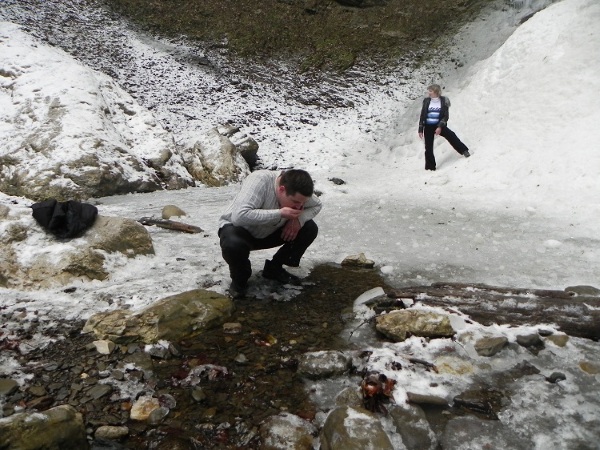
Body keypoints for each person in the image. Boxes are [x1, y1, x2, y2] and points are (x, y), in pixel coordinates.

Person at [218, 169, 322, 298]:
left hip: (271, 231)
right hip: (240, 231)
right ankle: (240, 281)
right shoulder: (259, 180)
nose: (299, 207)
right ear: (281, 189)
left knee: (309, 228)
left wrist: (298, 220)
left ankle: (274, 269)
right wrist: (280, 213)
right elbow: (239, 216)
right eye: (295, 202)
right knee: (232, 245)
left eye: (303, 203)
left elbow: (317, 205)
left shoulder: (297, 189)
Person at [418, 84, 470, 171]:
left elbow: (445, 116)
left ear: (436, 91)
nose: (429, 93)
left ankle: (464, 150)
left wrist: (439, 127)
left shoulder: (444, 100)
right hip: (428, 126)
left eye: (430, 91)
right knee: (428, 147)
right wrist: (420, 129)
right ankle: (430, 167)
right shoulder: (426, 101)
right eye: (429, 91)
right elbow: (423, 115)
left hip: (439, 125)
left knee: (451, 135)